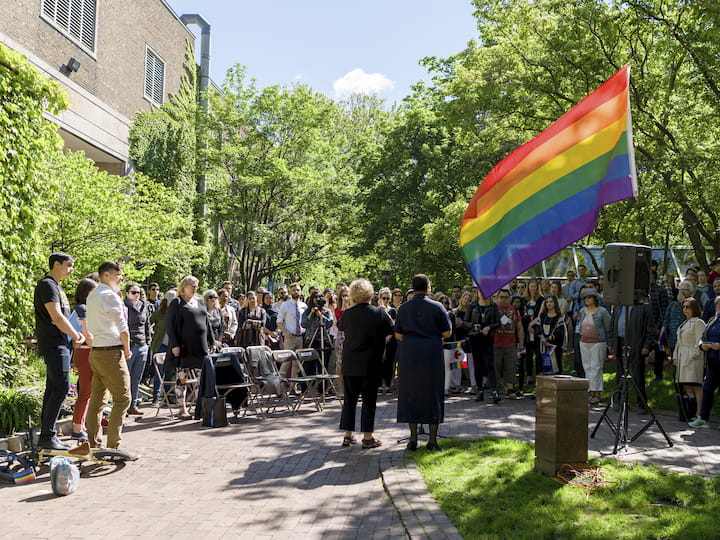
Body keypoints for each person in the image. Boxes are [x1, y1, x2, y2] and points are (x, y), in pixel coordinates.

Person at [34, 252, 85, 450]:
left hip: (62, 343)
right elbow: (56, 316)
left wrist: (73, 334)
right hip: (54, 344)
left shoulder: (58, 287)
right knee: (62, 387)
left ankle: (47, 434)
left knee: (53, 388)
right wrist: (76, 335)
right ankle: (48, 435)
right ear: (57, 264)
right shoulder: (47, 285)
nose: (72, 269)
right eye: (69, 265)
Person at [395, 274, 452, 451]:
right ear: (428, 287)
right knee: (432, 394)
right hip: (431, 355)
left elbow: (398, 334)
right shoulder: (437, 307)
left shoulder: (403, 308)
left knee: (410, 394)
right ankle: (433, 440)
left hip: (410, 355)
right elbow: (447, 333)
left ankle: (413, 439)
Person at [337, 279, 393, 449]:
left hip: (351, 362)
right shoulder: (379, 313)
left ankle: (348, 435)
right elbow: (391, 328)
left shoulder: (348, 313)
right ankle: (367, 437)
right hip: (371, 363)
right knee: (369, 401)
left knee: (349, 400)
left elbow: (340, 326)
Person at [86, 261, 132, 450]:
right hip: (111, 352)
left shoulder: (92, 295)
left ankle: (94, 443)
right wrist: (127, 350)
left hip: (96, 351)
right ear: (106, 275)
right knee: (123, 399)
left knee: (97, 401)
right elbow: (123, 328)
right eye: (118, 274)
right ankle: (114, 445)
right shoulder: (109, 296)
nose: (121, 278)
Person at [166, 275, 214, 419]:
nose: (195, 288)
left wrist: (212, 341)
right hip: (184, 347)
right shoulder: (177, 303)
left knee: (202, 377)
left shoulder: (200, 303)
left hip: (200, 346)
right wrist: (174, 344)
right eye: (192, 285)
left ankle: (201, 406)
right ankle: (182, 407)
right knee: (182, 377)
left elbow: (207, 323)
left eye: (196, 286)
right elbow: (170, 326)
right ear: (184, 286)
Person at [608, 300, 658, 412]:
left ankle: (642, 404)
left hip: (636, 344)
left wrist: (647, 346)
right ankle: (622, 402)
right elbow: (612, 326)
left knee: (637, 376)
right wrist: (611, 342)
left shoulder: (644, 307)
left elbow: (650, 329)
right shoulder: (618, 306)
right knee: (620, 375)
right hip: (620, 342)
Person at [70, 278, 98, 441]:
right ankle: (77, 427)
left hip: (87, 350)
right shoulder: (82, 309)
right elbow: (86, 333)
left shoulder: (87, 308)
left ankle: (83, 424)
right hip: (86, 351)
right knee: (86, 391)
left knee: (90, 391)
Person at [672, 298, 705, 422]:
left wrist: (693, 356)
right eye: (683, 307)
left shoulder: (698, 322)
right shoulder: (685, 323)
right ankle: (689, 412)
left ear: (694, 308)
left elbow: (699, 341)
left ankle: (698, 414)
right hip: (682, 357)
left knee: (696, 385)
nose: (684, 309)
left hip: (692, 358)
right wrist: (675, 356)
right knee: (688, 386)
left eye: (688, 307)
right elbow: (678, 343)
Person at [576, 289, 611, 405]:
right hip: (584, 342)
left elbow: (608, 327)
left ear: (595, 298)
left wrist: (609, 343)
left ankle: (597, 392)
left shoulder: (602, 312)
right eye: (585, 298)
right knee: (587, 366)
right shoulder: (582, 311)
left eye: (589, 297)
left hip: (598, 342)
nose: (587, 300)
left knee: (596, 366)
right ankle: (590, 390)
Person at [690, 297, 720, 428]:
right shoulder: (713, 320)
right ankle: (703, 418)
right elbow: (703, 338)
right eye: (717, 304)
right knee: (707, 389)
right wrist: (703, 345)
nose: (718, 307)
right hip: (712, 361)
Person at [124, 282, 152, 416]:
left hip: (142, 346)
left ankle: (132, 405)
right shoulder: (123, 306)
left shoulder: (144, 306)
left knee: (136, 378)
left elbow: (147, 326)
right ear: (127, 293)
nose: (137, 295)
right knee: (125, 377)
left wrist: (148, 343)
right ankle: (123, 406)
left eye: (139, 293)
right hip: (129, 345)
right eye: (133, 292)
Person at [493, 288, 524, 401]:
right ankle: (494, 389)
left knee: (510, 367)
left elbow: (520, 328)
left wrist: (521, 344)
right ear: (497, 297)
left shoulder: (514, 310)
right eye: (502, 297)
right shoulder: (493, 308)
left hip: (510, 344)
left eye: (506, 297)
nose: (504, 300)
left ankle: (510, 389)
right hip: (495, 343)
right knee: (495, 367)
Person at [149, 289, 176, 407]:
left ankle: (167, 396)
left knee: (170, 373)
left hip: (172, 347)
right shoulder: (159, 313)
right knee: (159, 373)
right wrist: (151, 336)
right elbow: (147, 323)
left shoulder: (178, 313)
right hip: (160, 345)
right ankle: (156, 397)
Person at [277, 282, 307, 352]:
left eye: (298, 290)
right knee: (287, 361)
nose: (296, 292)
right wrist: (287, 333)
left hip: (301, 337)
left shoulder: (304, 306)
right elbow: (279, 322)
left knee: (298, 360)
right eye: (293, 290)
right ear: (290, 292)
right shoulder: (285, 305)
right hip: (290, 337)